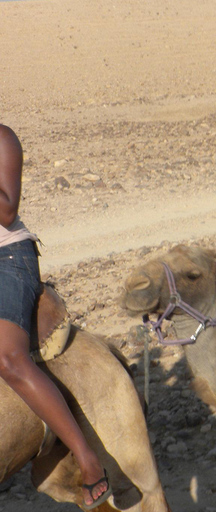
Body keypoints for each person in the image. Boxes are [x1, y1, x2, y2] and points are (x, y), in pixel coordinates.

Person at [0, 124, 112, 508]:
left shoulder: (3, 139)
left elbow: (7, 208)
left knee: (8, 358)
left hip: (8, 259)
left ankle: (86, 458)